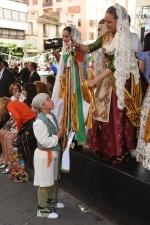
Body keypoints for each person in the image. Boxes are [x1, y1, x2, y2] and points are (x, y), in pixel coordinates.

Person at [73, 3, 144, 164]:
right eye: (105, 21)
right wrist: (77, 45)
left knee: (118, 117)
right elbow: (90, 47)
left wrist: (95, 80)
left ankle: (122, 151)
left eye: (109, 22)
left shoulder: (124, 38)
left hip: (123, 82)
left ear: (120, 22)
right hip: (108, 79)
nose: (106, 24)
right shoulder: (106, 36)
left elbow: (116, 65)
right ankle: (110, 149)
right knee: (104, 117)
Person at [32, 93, 64, 219]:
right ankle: (42, 210)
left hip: (53, 154)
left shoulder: (51, 116)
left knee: (53, 180)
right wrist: (58, 136)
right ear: (42, 105)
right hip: (45, 156)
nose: (51, 100)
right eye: (48, 99)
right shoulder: (39, 121)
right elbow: (44, 141)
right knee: (45, 182)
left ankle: (50, 201)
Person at [0, 57, 15, 129]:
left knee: (4, 125)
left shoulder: (9, 74)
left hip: (5, 105)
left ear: (1, 63)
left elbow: (11, 90)